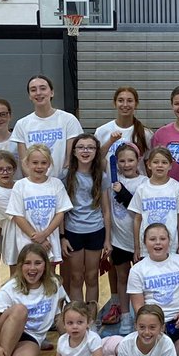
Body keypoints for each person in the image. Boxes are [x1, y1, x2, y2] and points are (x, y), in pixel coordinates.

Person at [0, 242, 67, 356]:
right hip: (0, 332)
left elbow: (60, 317)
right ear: (20, 266)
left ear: (46, 265)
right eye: (27, 263)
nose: (32, 268)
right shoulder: (10, 287)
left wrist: (73, 347)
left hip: (30, 336)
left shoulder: (54, 285)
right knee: (20, 310)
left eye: (38, 263)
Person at [127, 223, 179, 356]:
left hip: (178, 321)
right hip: (152, 324)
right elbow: (138, 305)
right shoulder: (137, 270)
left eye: (162, 238)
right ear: (145, 242)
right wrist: (152, 325)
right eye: (152, 239)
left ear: (169, 241)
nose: (158, 243)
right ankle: (166, 347)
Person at [61, 134, 111, 319]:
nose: (85, 151)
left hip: (95, 231)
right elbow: (61, 210)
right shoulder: (66, 176)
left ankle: (91, 319)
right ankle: (76, 318)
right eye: (81, 147)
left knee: (91, 277)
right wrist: (62, 237)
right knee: (75, 277)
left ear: (96, 152)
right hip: (73, 232)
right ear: (74, 152)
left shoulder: (101, 176)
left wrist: (107, 239)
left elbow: (106, 210)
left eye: (90, 147)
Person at [6, 142, 72, 264]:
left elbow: (60, 213)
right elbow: (17, 216)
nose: (39, 167)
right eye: (35, 162)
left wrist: (45, 234)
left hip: (50, 241)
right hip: (27, 241)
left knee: (49, 277)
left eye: (43, 163)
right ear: (27, 163)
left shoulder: (56, 184)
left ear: (49, 164)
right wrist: (38, 238)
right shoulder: (20, 186)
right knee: (29, 276)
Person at [107, 144, 147, 333]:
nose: (126, 164)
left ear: (138, 160)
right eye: (122, 161)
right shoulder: (111, 183)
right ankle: (125, 316)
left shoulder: (145, 183)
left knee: (143, 281)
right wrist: (107, 240)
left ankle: (145, 317)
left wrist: (122, 192)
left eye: (130, 160)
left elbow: (139, 209)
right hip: (119, 240)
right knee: (122, 277)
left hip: (140, 241)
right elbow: (107, 212)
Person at [13, 74, 82, 178]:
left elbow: (71, 159)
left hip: (63, 182)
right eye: (33, 90)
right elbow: (24, 162)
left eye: (43, 88)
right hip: (35, 184)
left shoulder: (68, 120)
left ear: (52, 92)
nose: (38, 93)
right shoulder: (22, 124)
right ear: (29, 96)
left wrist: (60, 181)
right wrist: (37, 183)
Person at [129, 147, 179, 259]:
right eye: (156, 162)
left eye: (164, 162)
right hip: (147, 246)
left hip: (171, 246)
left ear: (170, 165)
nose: (160, 165)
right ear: (149, 164)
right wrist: (137, 247)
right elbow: (137, 219)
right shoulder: (142, 188)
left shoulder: (176, 187)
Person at [95, 85, 154, 171]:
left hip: (138, 183)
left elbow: (149, 165)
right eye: (120, 101)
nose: (125, 104)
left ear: (136, 104)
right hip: (110, 183)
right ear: (114, 103)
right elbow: (96, 160)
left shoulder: (146, 133)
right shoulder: (101, 131)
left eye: (129, 101)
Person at [0, 149, 20, 283]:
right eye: (0, 169)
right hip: (14, 238)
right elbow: (17, 216)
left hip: (31, 236)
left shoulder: (21, 185)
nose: (5, 172)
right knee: (17, 278)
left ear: (14, 169)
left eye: (8, 169)